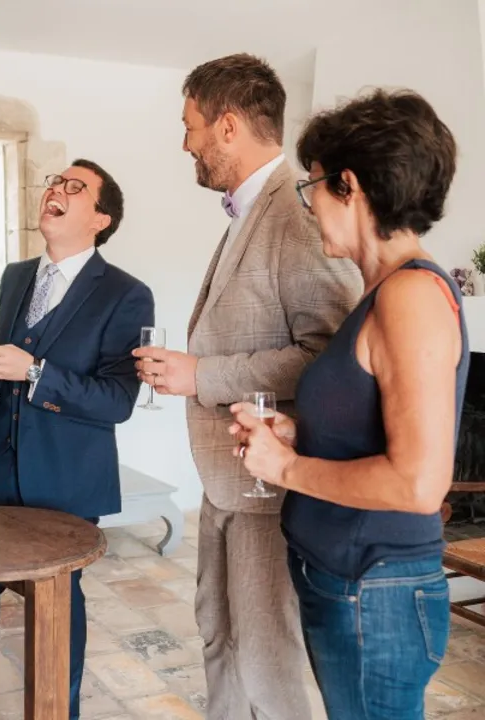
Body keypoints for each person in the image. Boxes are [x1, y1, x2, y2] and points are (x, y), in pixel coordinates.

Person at [134, 53, 361, 720]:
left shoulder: (297, 214)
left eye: (191, 126)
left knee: (268, 665)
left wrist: (202, 375)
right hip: (228, 481)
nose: (186, 143)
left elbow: (329, 355)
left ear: (227, 126)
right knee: (220, 638)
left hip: (270, 488)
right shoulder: (249, 210)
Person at [229, 88, 467, 719]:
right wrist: (298, 432)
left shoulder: (410, 296)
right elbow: (369, 427)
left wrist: (285, 468)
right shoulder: (382, 291)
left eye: (311, 187)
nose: (309, 206)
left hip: (375, 588)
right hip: (352, 582)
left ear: (349, 185)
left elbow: (419, 484)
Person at [0, 159, 154, 719]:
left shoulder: (126, 294)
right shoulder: (15, 276)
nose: (55, 191)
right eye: (53, 182)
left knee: (55, 603)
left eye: (74, 187)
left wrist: (35, 372)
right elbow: (3, 375)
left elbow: (116, 401)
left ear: (101, 219)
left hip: (65, 478)